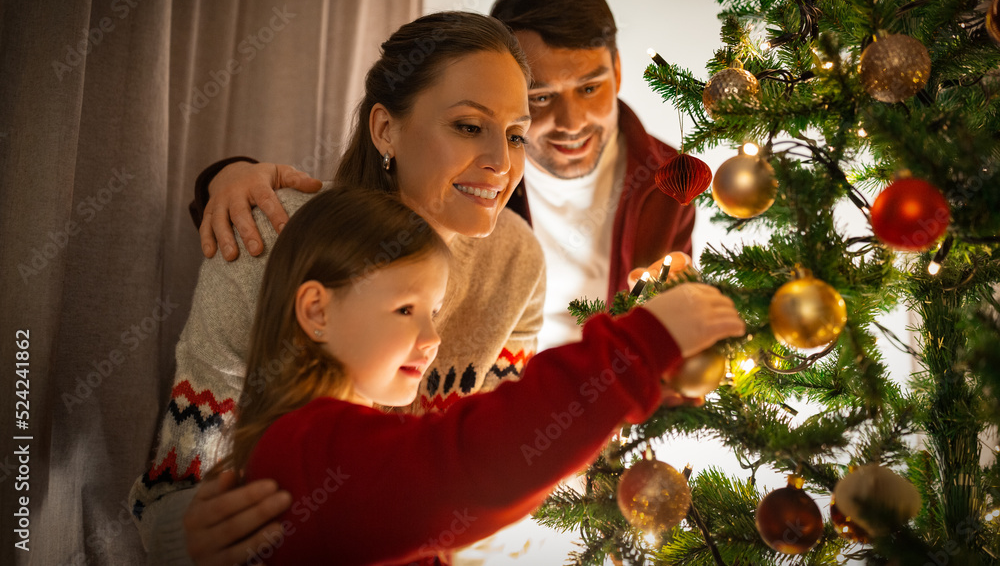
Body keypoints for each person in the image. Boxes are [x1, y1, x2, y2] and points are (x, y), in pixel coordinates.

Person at [129, 11, 550, 564]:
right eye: (469, 126)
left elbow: (493, 462)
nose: (501, 162)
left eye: (515, 134)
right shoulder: (272, 240)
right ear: (385, 129)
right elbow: (173, 488)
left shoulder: (517, 262)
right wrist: (186, 537)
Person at [215, 184, 743, 564]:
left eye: (434, 313)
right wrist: (640, 345)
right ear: (317, 311)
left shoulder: (322, 442)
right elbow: (474, 463)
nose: (433, 338)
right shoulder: (309, 448)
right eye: (405, 309)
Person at [192, 0, 694, 353]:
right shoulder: (304, 240)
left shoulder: (665, 183)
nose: (571, 120)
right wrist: (226, 175)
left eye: (590, 87)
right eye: (540, 98)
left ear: (619, 71)